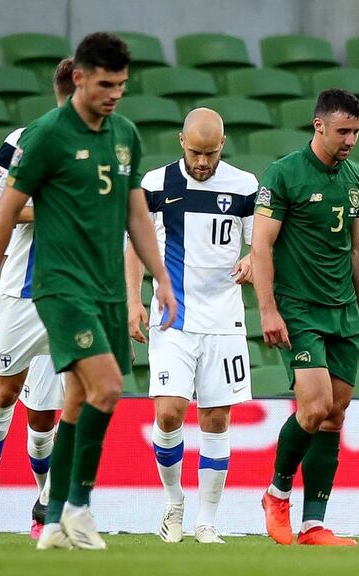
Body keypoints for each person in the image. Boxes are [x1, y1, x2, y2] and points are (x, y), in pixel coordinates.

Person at [0, 32, 177, 551]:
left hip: (98, 285)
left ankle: (52, 509)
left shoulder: (124, 135)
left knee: (62, 409)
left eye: (122, 85)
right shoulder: (35, 137)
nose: (115, 94)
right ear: (77, 82)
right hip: (32, 288)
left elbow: (134, 212)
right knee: (11, 391)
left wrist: (160, 277)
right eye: (106, 84)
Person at [124, 108, 257, 545]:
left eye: (212, 153)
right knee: (168, 412)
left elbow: (262, 245)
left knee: (217, 418)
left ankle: (206, 520)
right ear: (181, 140)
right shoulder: (155, 185)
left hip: (224, 319)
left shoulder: (244, 186)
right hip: (172, 316)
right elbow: (134, 245)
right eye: (196, 152)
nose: (203, 162)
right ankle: (173, 501)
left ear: (223, 144)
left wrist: (253, 260)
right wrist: (131, 300)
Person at [254, 88, 359, 547]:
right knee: (315, 405)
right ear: (318, 125)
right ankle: (276, 493)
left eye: (356, 132)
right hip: (298, 308)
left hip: (342, 309)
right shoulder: (283, 175)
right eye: (343, 131)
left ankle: (313, 525)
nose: (350, 141)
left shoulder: (357, 178)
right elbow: (261, 246)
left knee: (335, 414)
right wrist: (268, 310)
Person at [0, 58, 74, 544]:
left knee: (43, 413)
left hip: (71, 293)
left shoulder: (105, 150)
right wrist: (43, 208)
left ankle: (46, 495)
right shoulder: (24, 139)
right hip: (21, 291)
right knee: (6, 393)